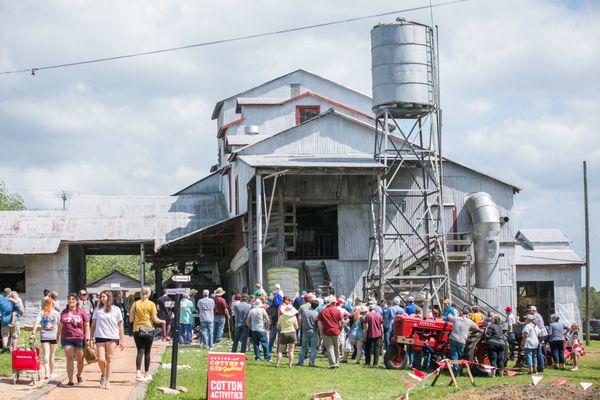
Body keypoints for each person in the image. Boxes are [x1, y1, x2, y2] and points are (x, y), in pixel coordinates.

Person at [129, 286, 165, 382]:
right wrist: (163, 321)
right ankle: (146, 374)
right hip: (148, 329)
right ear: (149, 294)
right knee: (147, 352)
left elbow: (131, 319)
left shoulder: (135, 304)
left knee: (140, 350)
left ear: (140, 293)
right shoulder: (151, 304)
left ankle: (138, 373)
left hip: (137, 329)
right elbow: (155, 320)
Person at [91, 290, 125, 389]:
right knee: (101, 359)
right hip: (100, 336)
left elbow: (120, 325)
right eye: (101, 297)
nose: (101, 298)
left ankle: (108, 381)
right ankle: (103, 374)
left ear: (109, 297)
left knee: (109, 358)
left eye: (103, 297)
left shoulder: (116, 309)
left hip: (113, 337)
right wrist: (90, 337)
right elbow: (93, 325)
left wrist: (122, 340)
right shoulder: (97, 309)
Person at [57, 293, 90, 386]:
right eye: (69, 299)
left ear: (76, 301)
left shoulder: (81, 311)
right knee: (70, 358)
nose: (71, 300)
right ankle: (70, 380)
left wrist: (88, 337)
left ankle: (79, 375)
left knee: (80, 360)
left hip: (80, 338)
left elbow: (86, 325)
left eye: (73, 299)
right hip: (67, 338)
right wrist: (58, 336)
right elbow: (61, 325)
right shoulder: (64, 312)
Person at [31, 297, 60, 379]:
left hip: (44, 335)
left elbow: (36, 323)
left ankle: (46, 373)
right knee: (52, 355)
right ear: (53, 304)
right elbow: (59, 324)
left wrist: (33, 333)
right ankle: (51, 373)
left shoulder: (41, 313)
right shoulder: (56, 313)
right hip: (54, 336)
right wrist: (60, 336)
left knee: (46, 354)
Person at [317, 295, 344, 369]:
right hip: (336, 331)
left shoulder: (323, 311)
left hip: (326, 331)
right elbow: (343, 321)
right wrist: (340, 329)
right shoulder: (337, 310)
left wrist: (321, 331)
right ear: (333, 303)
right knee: (336, 347)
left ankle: (332, 363)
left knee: (330, 348)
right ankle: (337, 362)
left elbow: (319, 322)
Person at [297, 300, 319, 367]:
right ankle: (311, 363)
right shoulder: (316, 313)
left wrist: (300, 326)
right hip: (314, 331)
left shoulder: (305, 311)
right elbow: (317, 323)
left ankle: (300, 362)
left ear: (310, 304)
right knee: (313, 348)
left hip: (305, 330)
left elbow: (300, 319)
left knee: (303, 347)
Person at [528, 305, 547, 372]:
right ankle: (542, 365)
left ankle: (541, 367)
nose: (529, 312)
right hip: (543, 333)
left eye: (530, 311)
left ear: (533, 310)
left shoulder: (534, 316)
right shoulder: (538, 315)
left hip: (539, 334)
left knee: (538, 351)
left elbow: (531, 323)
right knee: (541, 350)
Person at [0, 288, 14, 352]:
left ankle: (5, 347)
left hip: (3, 319)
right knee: (13, 334)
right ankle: (12, 348)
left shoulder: (1, 298)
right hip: (12, 319)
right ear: (8, 293)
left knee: (5, 334)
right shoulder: (11, 298)